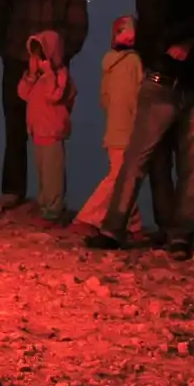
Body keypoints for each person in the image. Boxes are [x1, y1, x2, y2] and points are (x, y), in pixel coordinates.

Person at [84, 0, 194, 259]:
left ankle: (180, 236)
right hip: (160, 86)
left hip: (190, 89)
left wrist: (190, 37)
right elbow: (155, 39)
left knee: (193, 167)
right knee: (138, 161)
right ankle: (113, 228)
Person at [0, 0, 88, 219]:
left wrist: (61, 56)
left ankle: (52, 200)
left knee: (53, 134)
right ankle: (14, 192)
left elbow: (77, 15)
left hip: (54, 65)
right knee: (15, 127)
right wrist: (10, 51)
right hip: (19, 60)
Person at [74, 16, 142, 238]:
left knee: (125, 175)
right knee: (119, 176)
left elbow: (104, 98)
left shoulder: (108, 63)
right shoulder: (134, 63)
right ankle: (87, 217)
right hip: (129, 128)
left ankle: (133, 225)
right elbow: (139, 97)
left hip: (113, 128)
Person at [16, 31, 77, 208]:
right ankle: (44, 205)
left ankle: (54, 208)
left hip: (52, 132)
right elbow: (23, 93)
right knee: (43, 173)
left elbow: (54, 96)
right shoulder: (38, 78)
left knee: (53, 175)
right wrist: (31, 75)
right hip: (38, 132)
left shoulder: (60, 76)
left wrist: (49, 74)